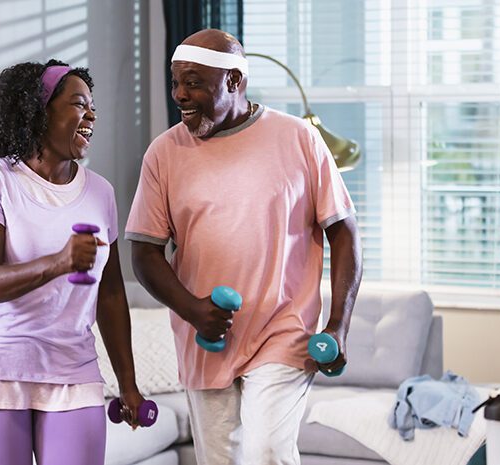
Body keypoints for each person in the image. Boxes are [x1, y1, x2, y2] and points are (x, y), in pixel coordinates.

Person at [125, 29, 363, 464]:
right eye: (176, 81)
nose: (180, 95)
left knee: (267, 451)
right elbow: (144, 252)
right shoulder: (164, 152)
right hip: (204, 336)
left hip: (282, 329)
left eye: (194, 82)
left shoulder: (298, 139)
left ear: (234, 81)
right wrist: (193, 309)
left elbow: (343, 231)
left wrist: (339, 324)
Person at [0, 59, 145, 465]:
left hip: (73, 368)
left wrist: (128, 383)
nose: (90, 115)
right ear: (40, 111)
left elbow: (109, 295)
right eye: (78, 104)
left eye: (92, 106)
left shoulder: (100, 192)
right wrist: (59, 262)